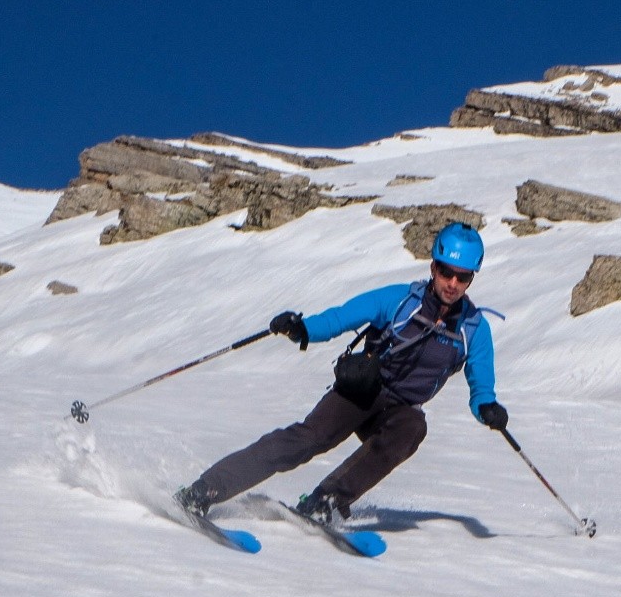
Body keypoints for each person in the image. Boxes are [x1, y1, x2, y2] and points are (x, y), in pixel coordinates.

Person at [176, 222, 508, 524]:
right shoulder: (399, 300)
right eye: (446, 272)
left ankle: (326, 501)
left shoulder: (473, 329)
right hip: (361, 392)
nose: (452, 283)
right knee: (308, 440)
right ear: (433, 267)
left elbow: (481, 387)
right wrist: (302, 328)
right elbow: (340, 318)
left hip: (399, 411)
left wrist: (488, 409)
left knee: (412, 428)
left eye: (463, 277)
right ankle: (206, 489)